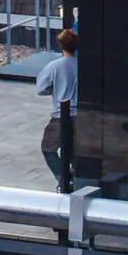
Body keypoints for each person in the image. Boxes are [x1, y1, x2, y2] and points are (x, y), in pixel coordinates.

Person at [37, 29, 79, 186]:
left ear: (61, 45)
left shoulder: (54, 66)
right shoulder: (82, 66)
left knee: (48, 148)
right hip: (81, 114)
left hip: (60, 115)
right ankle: (78, 178)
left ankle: (63, 178)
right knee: (75, 150)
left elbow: (41, 88)